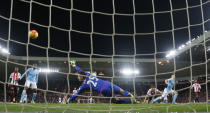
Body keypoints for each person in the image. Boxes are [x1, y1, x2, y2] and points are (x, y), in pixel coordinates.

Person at [68, 60, 138, 104]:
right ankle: (132, 98)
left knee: (114, 101)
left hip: (103, 89)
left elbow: (76, 94)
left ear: (81, 77)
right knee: (122, 91)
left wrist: (69, 100)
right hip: (107, 83)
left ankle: (129, 102)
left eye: (78, 76)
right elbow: (80, 70)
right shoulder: (88, 73)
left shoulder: (84, 85)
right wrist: (74, 65)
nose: (77, 77)